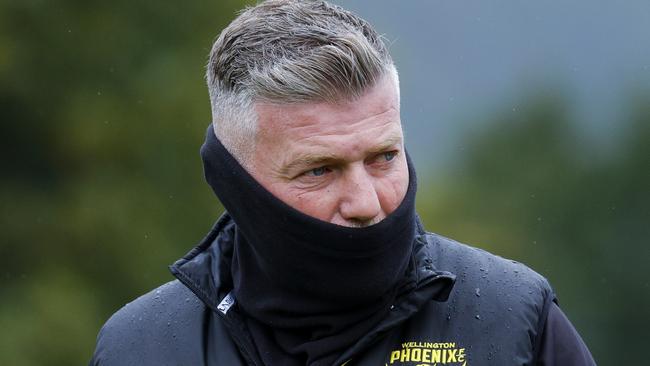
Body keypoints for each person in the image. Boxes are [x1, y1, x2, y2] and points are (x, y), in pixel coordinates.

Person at [89, 1, 595, 365]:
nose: (366, 202)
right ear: (233, 180)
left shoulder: (515, 322)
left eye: (384, 157)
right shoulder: (140, 348)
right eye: (319, 170)